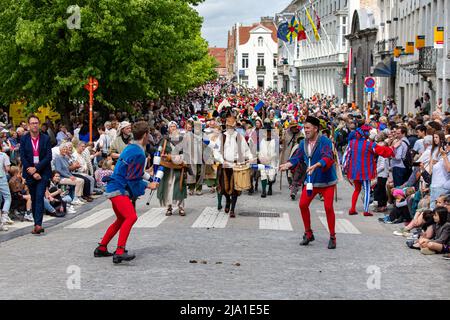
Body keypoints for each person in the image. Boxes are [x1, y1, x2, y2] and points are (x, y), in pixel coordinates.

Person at [94, 121, 158, 264]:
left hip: (114, 186)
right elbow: (133, 178)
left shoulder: (130, 148)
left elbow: (136, 172)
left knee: (121, 219)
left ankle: (102, 248)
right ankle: (120, 251)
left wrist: (150, 178)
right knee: (131, 217)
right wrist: (149, 185)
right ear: (146, 135)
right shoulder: (139, 153)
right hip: (119, 189)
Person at [280, 116, 338, 249]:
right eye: (304, 128)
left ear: (316, 129)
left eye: (308, 128)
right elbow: (298, 157)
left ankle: (333, 237)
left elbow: (328, 157)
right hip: (311, 181)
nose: (305, 130)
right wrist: (288, 164)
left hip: (326, 181)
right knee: (303, 204)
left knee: (328, 208)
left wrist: (317, 165)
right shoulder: (303, 143)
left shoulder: (325, 141)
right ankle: (308, 233)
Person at [344, 123, 394, 216]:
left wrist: (345, 169)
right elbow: (381, 151)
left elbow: (346, 157)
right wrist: (391, 149)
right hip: (366, 171)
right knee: (367, 190)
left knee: (357, 189)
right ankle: (366, 210)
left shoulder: (351, 143)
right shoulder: (369, 144)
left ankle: (352, 208)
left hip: (354, 170)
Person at [19, 115, 53, 235]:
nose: (35, 125)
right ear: (28, 125)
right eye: (32, 123)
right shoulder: (24, 139)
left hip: (43, 172)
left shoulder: (45, 138)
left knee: (39, 197)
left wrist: (37, 169)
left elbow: (49, 156)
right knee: (34, 198)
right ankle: (36, 223)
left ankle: (38, 224)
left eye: (36, 123)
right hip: (29, 173)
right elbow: (22, 156)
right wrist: (30, 170)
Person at [216, 114, 254, 218]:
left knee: (235, 189)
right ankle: (227, 200)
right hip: (224, 165)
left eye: (232, 126)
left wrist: (250, 157)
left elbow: (246, 150)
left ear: (235, 126)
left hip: (237, 165)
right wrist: (221, 160)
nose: (230, 128)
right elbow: (216, 151)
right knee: (223, 188)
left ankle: (232, 209)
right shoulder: (221, 137)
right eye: (228, 126)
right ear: (226, 126)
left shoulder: (239, 137)